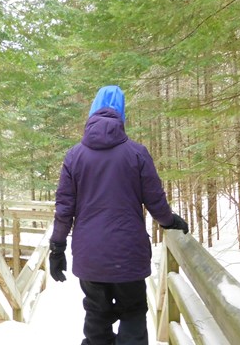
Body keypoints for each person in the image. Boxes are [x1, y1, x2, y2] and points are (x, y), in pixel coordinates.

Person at [48, 85, 189, 345]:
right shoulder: (137, 153)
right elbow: (155, 200)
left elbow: (64, 208)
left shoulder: (74, 156)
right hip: (128, 254)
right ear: (122, 115)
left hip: (90, 256)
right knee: (133, 312)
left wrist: (57, 248)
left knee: (96, 314)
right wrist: (170, 221)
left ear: (92, 111)